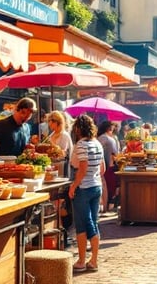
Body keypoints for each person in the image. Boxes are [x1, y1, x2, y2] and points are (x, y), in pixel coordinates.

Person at [69, 115, 105, 273]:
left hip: (83, 188)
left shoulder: (81, 144)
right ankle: (86, 260)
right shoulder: (97, 143)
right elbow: (102, 168)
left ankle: (90, 260)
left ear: (78, 129)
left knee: (86, 224)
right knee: (89, 222)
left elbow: (82, 168)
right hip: (96, 186)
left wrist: (73, 186)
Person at [98, 120, 121, 212]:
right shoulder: (104, 138)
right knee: (108, 187)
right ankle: (106, 206)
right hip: (107, 166)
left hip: (110, 165)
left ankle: (107, 206)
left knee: (110, 187)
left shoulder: (110, 137)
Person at [46, 111, 72, 177]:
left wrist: (54, 148)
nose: (49, 124)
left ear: (56, 122)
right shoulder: (51, 135)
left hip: (62, 167)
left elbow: (63, 153)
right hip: (51, 166)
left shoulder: (64, 135)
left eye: (50, 121)